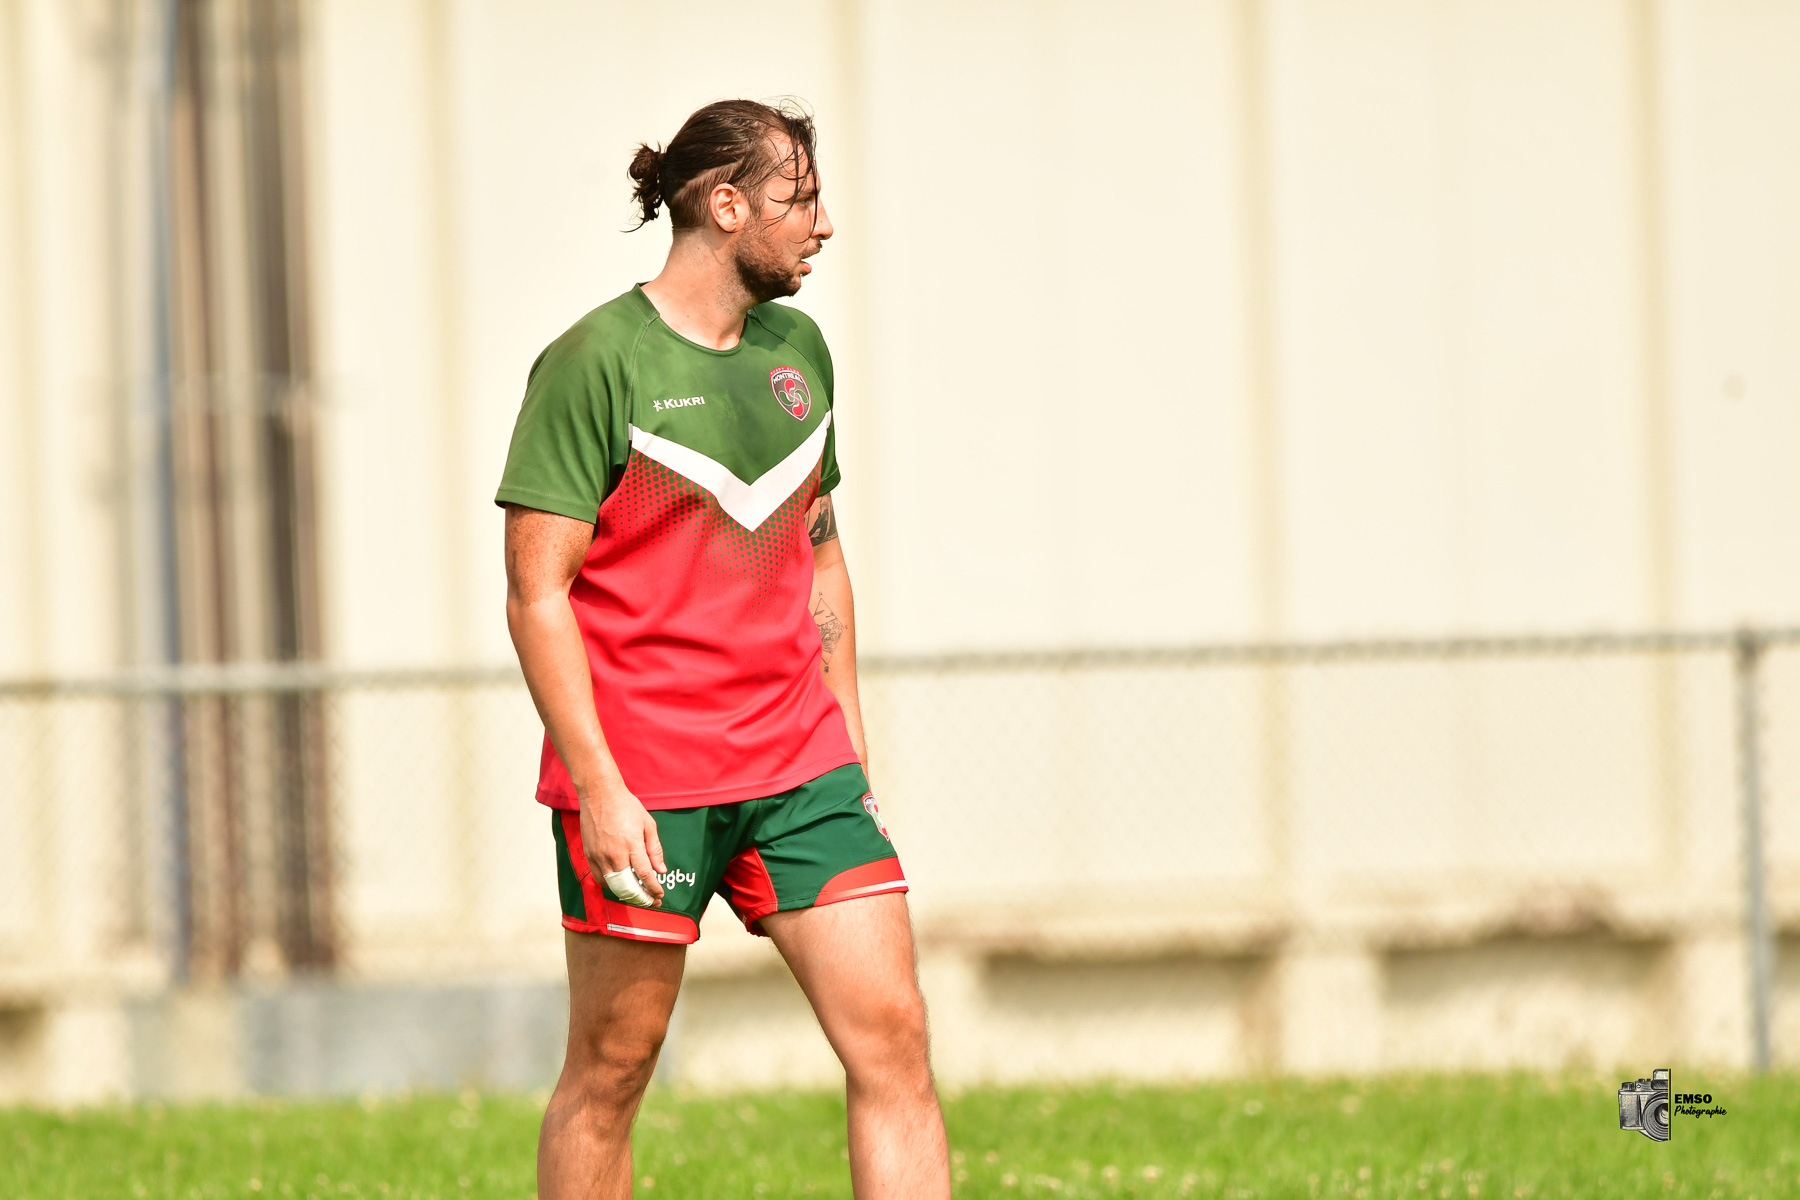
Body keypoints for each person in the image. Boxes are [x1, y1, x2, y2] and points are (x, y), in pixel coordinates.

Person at [494, 99, 951, 1200]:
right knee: (612, 1070)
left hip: (803, 770)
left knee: (894, 1042)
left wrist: (851, 750)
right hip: (649, 781)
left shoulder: (799, 351)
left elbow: (823, 555)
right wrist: (600, 788)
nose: (826, 224)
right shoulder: (595, 362)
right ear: (724, 204)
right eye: (801, 199)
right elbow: (535, 594)